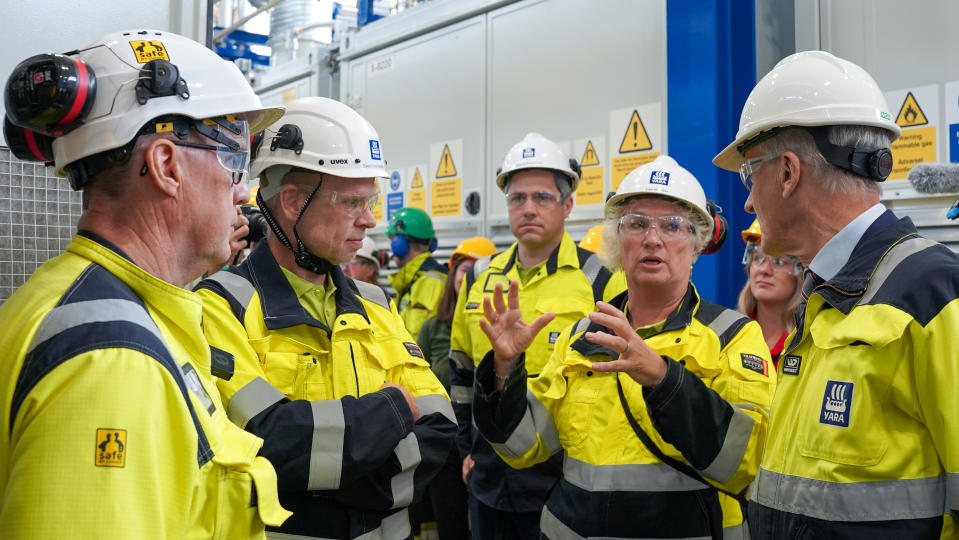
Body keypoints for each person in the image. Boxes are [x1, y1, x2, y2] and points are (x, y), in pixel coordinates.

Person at [0, 29, 290, 537]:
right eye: (234, 158)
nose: (243, 190)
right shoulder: (112, 360)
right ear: (165, 165)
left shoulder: (81, 299)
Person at [714, 50, 959, 538]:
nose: (746, 201)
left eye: (748, 175)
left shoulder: (934, 293)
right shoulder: (825, 296)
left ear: (787, 173)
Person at [470, 155, 775, 539]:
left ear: (697, 245)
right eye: (637, 223)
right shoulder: (583, 337)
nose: (652, 238)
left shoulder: (732, 336)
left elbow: (746, 464)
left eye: (673, 226)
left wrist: (665, 380)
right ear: (617, 242)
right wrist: (505, 366)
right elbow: (520, 446)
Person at [195, 96, 456, 539]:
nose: (370, 221)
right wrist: (392, 408)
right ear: (294, 201)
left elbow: (440, 426)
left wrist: (327, 491)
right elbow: (269, 444)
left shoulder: (376, 303)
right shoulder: (223, 307)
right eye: (353, 203)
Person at [449, 132, 623, 539]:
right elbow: (459, 371)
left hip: (562, 476)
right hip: (488, 473)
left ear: (567, 205)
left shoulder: (601, 279)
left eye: (542, 197)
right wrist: (465, 448)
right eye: (517, 198)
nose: (528, 208)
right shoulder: (479, 276)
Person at [414, 236, 497, 540]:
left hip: (488, 442)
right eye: (464, 271)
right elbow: (416, 380)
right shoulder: (432, 327)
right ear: (453, 277)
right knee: (451, 524)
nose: (470, 277)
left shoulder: (500, 326)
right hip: (445, 443)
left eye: (479, 271)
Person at [735, 219, 802, 368]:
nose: (764, 270)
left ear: (800, 272)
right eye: (758, 258)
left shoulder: (808, 342)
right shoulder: (728, 333)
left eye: (779, 262)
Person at [387, 207, 447, 337]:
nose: (390, 247)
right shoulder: (412, 280)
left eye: (392, 239)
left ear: (401, 243)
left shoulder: (431, 282)